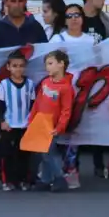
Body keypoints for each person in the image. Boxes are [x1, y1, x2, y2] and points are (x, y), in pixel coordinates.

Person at [32, 49, 75, 191]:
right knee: (43, 153)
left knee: (49, 153)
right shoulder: (45, 83)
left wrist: (60, 127)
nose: (47, 67)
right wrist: (32, 120)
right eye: (46, 64)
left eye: (50, 63)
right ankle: (46, 179)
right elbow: (38, 103)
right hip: (41, 123)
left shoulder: (66, 88)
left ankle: (59, 178)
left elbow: (66, 110)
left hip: (52, 126)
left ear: (61, 64)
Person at [0, 49, 36, 190]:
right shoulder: (4, 85)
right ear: (8, 67)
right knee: (7, 154)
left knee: (24, 154)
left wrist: (32, 122)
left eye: (21, 66)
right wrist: (1, 122)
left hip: (25, 125)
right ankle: (8, 181)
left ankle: (23, 179)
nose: (18, 69)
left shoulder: (30, 84)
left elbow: (33, 106)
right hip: (10, 125)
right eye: (14, 66)